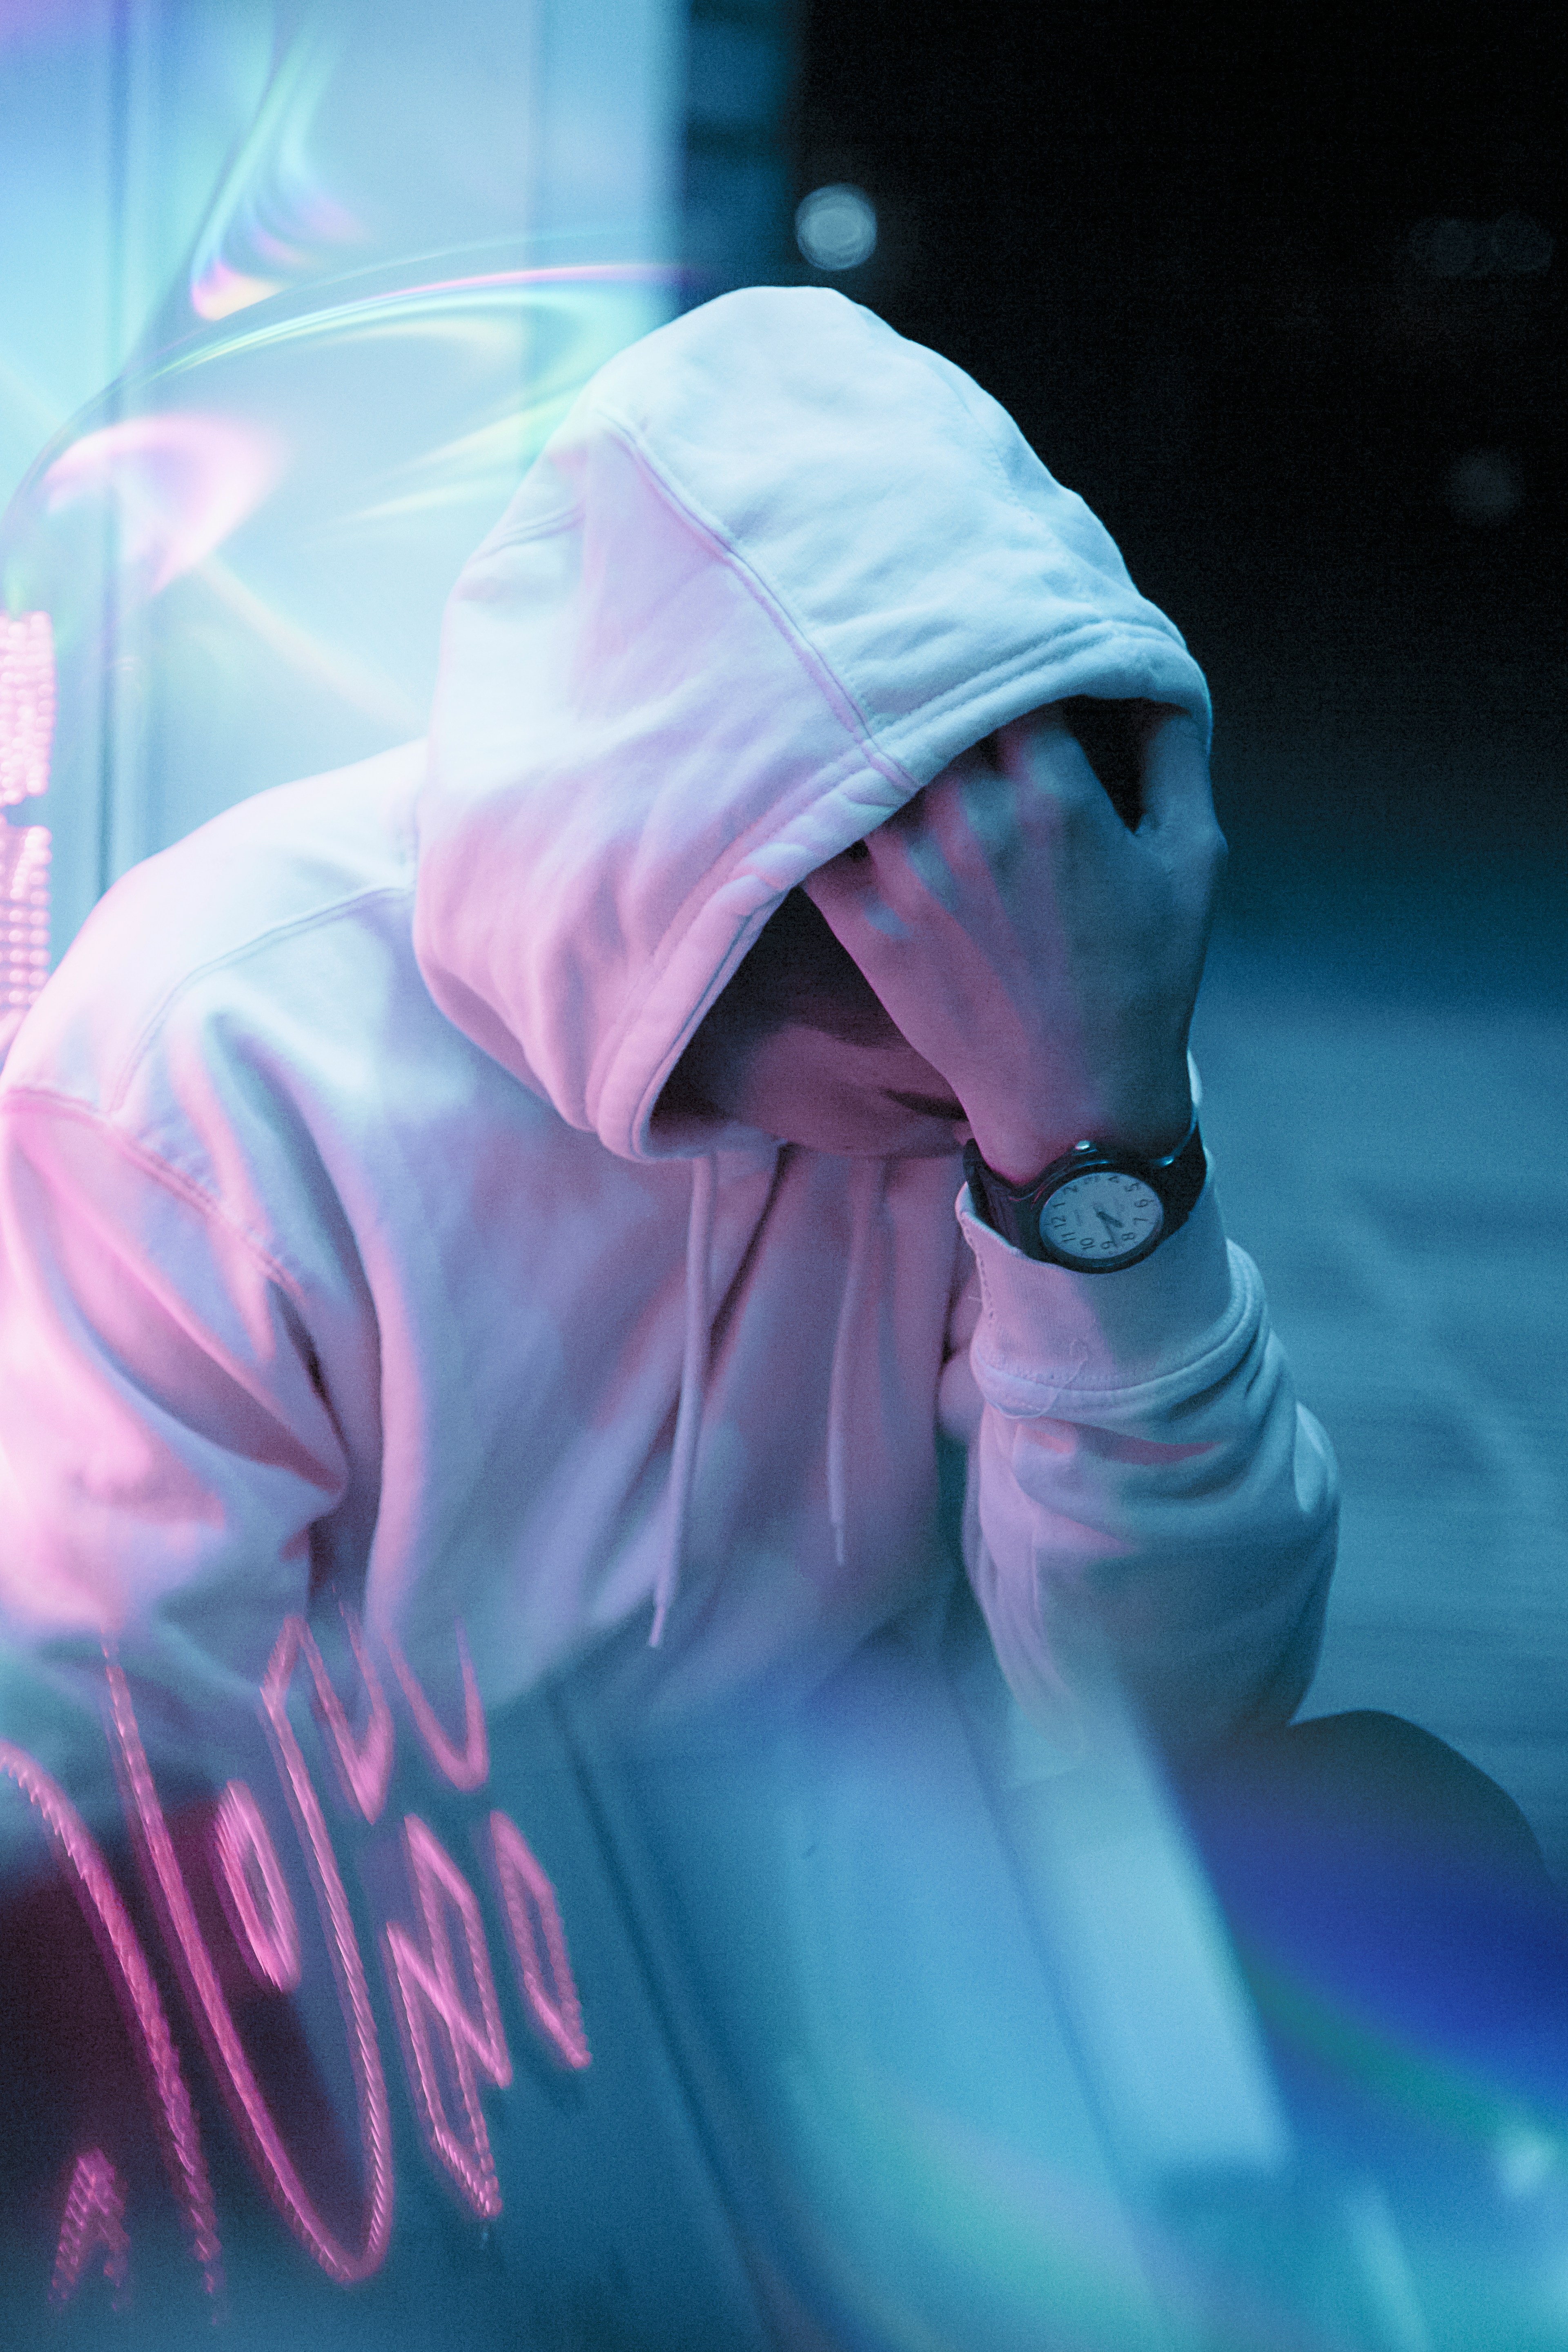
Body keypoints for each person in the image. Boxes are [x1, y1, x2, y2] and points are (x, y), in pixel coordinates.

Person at [0, 284, 1337, 1818]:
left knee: (1406, 1820)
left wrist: (1102, 1162)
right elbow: (111, 1789)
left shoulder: (1051, 1049)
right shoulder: (211, 1052)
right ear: (692, 922)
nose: (986, 1105)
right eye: (934, 1071)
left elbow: (1185, 1722)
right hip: (395, 1981)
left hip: (858, 1939)